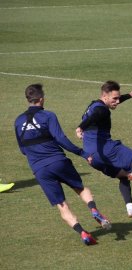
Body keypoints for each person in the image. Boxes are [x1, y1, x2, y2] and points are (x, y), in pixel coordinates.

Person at [15, 83, 111, 246]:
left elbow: (23, 150)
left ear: (28, 100)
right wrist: (81, 152)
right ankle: (93, 209)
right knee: (80, 188)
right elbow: (60, 139)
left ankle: (82, 233)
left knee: (62, 206)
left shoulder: (18, 121)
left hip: (39, 169)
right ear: (41, 99)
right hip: (57, 161)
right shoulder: (48, 116)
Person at [76, 80, 132, 218]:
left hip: (92, 158)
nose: (117, 101)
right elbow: (96, 115)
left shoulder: (93, 105)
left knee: (124, 175)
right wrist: (81, 127)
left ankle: (130, 208)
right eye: (114, 98)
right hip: (105, 149)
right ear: (104, 96)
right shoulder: (100, 109)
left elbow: (96, 113)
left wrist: (131, 95)